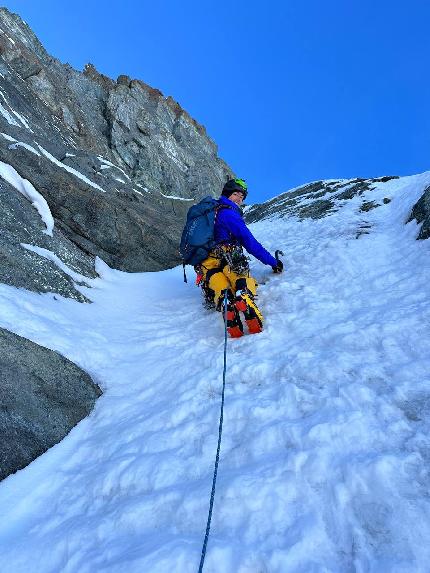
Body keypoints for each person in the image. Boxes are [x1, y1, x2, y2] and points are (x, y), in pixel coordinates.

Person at [197, 178, 283, 338]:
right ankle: (244, 296)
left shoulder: (210, 212)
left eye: (242, 197)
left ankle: (226, 304)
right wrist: (273, 262)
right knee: (241, 279)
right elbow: (249, 242)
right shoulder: (229, 213)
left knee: (219, 284)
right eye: (236, 194)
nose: (240, 199)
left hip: (206, 261)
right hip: (228, 253)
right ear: (228, 194)